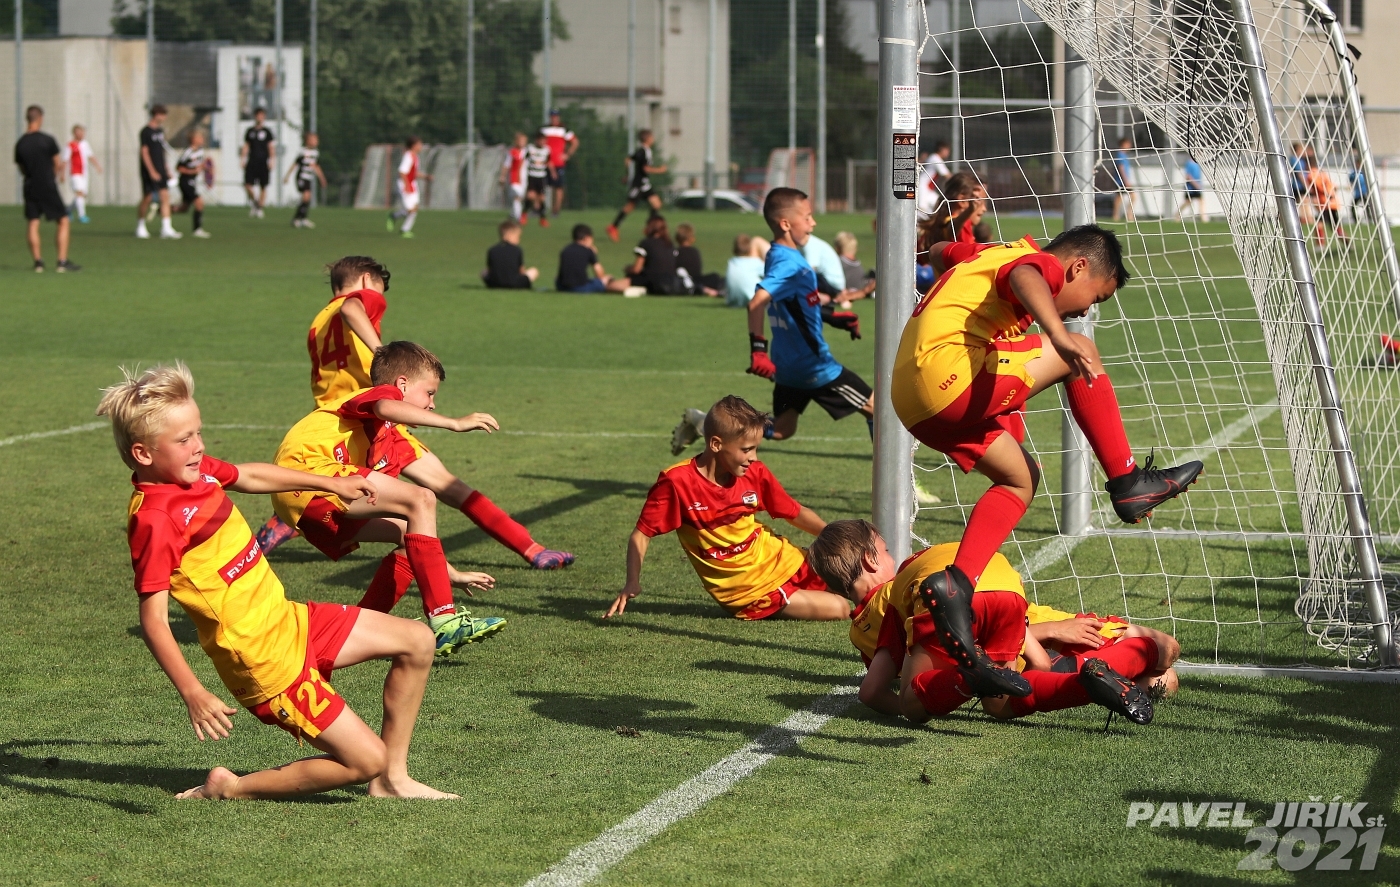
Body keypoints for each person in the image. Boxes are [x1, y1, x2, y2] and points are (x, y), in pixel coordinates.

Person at [98, 363, 458, 800]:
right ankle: (231, 788)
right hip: (265, 663)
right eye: (184, 439)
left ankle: (392, 781)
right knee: (365, 760)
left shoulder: (194, 473)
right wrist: (193, 692)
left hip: (290, 621)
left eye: (198, 433)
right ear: (143, 454)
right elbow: (154, 620)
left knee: (418, 640)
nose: (199, 446)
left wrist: (328, 483)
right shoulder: (156, 519)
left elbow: (249, 475)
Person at [890, 226, 1201, 688]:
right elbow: (1026, 276)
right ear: (1077, 268)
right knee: (1080, 351)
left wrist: (943, 271)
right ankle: (1128, 482)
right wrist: (1059, 333)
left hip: (911, 398)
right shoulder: (1039, 265)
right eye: (1095, 297)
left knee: (1021, 478)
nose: (1087, 310)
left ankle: (957, 585)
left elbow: (939, 251)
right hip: (946, 378)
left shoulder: (989, 254)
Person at [807, 520, 1169, 724]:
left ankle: (975, 677)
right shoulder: (900, 584)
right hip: (1008, 594)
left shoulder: (863, 629)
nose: (892, 556)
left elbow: (874, 690)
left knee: (923, 704)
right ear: (871, 560)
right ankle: (1119, 664)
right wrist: (1049, 632)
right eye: (886, 550)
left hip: (993, 616)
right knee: (1165, 661)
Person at [269, 354, 508, 657]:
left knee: (409, 531)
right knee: (422, 498)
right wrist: (453, 423)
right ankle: (445, 620)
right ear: (402, 384)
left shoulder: (384, 442)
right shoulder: (380, 396)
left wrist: (451, 574)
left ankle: (357, 631)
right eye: (429, 393)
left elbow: (420, 537)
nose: (432, 404)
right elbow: (385, 406)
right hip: (307, 474)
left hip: (305, 498)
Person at [607, 395, 849, 621]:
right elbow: (642, 535)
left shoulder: (755, 472)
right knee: (840, 608)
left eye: (756, 449)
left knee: (853, 582)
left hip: (784, 560)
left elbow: (794, 512)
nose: (754, 457)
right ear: (715, 444)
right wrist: (632, 582)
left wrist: (838, 538)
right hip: (748, 592)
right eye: (746, 450)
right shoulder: (677, 483)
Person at [255, 255, 391, 553]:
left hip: (326, 415)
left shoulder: (318, 320)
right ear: (366, 280)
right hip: (361, 412)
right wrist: (383, 355)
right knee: (438, 488)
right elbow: (352, 307)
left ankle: (292, 517)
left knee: (363, 486)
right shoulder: (364, 297)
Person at [744, 188, 875, 442]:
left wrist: (831, 317)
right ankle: (892, 470)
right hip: (813, 364)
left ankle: (710, 424)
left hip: (787, 363)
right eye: (807, 217)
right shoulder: (790, 264)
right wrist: (758, 350)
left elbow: (794, 303)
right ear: (785, 224)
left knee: (782, 429)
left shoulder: (776, 254)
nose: (813, 223)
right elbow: (757, 302)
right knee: (877, 410)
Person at [13, 105, 79, 272]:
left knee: (33, 222)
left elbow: (21, 168)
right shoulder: (47, 140)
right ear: (40, 118)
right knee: (63, 220)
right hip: (47, 185)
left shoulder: (21, 143)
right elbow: (57, 163)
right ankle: (62, 262)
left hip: (29, 185)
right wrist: (52, 177)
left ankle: (38, 263)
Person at [607, 129, 666, 242]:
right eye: (652, 137)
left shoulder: (643, 151)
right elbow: (645, 168)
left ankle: (649, 228)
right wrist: (660, 170)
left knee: (657, 204)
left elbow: (628, 159)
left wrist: (627, 174)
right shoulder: (644, 151)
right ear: (647, 139)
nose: (653, 139)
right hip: (638, 185)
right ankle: (613, 227)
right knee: (630, 206)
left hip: (645, 184)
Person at [137, 105, 179, 240]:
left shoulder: (160, 131)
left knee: (165, 197)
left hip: (161, 169)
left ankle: (166, 228)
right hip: (149, 169)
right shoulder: (145, 131)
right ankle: (140, 226)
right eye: (162, 114)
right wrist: (151, 171)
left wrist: (166, 169)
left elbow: (161, 152)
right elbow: (144, 152)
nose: (164, 117)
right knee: (148, 198)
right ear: (156, 114)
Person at [556, 224, 631, 293]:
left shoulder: (565, 250)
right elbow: (599, 274)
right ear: (587, 238)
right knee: (605, 280)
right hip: (580, 288)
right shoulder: (588, 251)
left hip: (561, 287)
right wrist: (594, 255)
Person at [627, 215, 686, 295]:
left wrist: (628, 269)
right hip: (670, 281)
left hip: (652, 280)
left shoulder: (646, 243)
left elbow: (637, 269)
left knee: (622, 282)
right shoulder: (670, 244)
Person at [388, 137, 430, 238]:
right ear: (414, 145)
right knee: (410, 209)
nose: (421, 146)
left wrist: (425, 177)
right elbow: (402, 172)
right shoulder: (408, 156)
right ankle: (394, 216)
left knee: (414, 209)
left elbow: (413, 173)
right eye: (419, 144)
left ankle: (405, 229)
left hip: (412, 184)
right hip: (404, 184)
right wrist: (406, 186)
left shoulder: (415, 157)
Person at [173, 130, 211, 238]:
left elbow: (199, 164)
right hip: (185, 181)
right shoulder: (187, 152)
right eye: (200, 137)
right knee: (199, 202)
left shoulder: (200, 151)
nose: (202, 139)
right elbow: (179, 167)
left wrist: (205, 168)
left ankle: (162, 210)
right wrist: (191, 171)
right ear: (194, 139)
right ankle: (197, 229)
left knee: (183, 208)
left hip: (192, 182)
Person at [541, 109, 578, 216]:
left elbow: (575, 142)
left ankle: (556, 210)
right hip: (544, 162)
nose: (554, 119)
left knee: (558, 187)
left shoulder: (564, 130)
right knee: (541, 186)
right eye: (552, 116)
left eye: (556, 116)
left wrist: (567, 155)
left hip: (558, 163)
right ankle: (539, 209)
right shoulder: (544, 129)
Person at [1306, 153, 1348, 248]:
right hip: (1333, 203)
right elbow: (1334, 187)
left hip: (1326, 203)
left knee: (1319, 224)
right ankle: (1347, 242)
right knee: (1335, 227)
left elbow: (1319, 187)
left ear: (1307, 164)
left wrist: (1322, 195)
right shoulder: (1322, 173)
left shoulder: (1311, 175)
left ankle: (1320, 245)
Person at [483, 218, 539, 289]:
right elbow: (521, 271)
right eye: (518, 236)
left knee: (483, 272)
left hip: (494, 284)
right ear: (509, 235)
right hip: (515, 284)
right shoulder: (517, 250)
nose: (519, 240)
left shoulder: (492, 250)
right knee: (534, 271)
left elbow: (490, 270)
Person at [287, 132, 327, 229]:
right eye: (314, 140)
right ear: (307, 141)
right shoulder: (303, 152)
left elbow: (316, 166)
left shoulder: (315, 153)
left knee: (307, 198)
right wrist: (287, 176)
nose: (316, 142)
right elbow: (295, 164)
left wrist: (322, 178)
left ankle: (303, 218)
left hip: (308, 178)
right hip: (301, 177)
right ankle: (297, 218)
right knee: (306, 196)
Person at [241, 107, 275, 218]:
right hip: (252, 161)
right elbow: (246, 146)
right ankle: (256, 203)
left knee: (263, 186)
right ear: (255, 116)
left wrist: (272, 160)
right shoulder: (250, 131)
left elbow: (271, 147)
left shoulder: (267, 132)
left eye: (262, 115)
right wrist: (243, 159)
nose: (260, 117)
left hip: (263, 162)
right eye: (258, 115)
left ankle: (260, 208)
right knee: (247, 185)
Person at [62, 123, 100, 224]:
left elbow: (90, 156)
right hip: (75, 173)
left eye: (82, 132)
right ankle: (82, 216)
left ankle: (67, 211)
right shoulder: (70, 145)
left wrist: (97, 166)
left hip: (84, 173)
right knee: (79, 193)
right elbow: (65, 160)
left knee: (82, 195)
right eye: (79, 132)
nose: (82, 134)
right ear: (74, 133)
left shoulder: (85, 144)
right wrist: (62, 174)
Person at [674, 223, 723, 296]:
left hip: (687, 281)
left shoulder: (676, 252)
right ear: (692, 238)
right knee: (715, 277)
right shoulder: (695, 251)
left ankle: (703, 289)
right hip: (698, 279)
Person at [724, 232, 769, 307]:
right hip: (754, 300)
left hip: (733, 302)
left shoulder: (731, 262)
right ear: (750, 249)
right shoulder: (755, 263)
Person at [523, 130, 553, 228]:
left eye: (543, 140)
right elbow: (524, 160)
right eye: (540, 140)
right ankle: (524, 214)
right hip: (532, 175)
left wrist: (553, 172)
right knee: (530, 196)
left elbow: (548, 162)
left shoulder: (547, 150)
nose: (542, 142)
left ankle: (543, 219)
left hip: (541, 176)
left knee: (541, 198)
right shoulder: (530, 148)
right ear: (536, 140)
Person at [916, 141, 952, 219]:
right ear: (941, 149)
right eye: (947, 150)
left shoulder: (933, 157)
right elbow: (947, 175)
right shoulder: (935, 158)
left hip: (928, 189)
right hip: (923, 187)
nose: (948, 153)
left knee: (938, 204)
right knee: (922, 210)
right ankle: (917, 225)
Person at [500, 132, 528, 222]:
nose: (522, 142)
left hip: (524, 178)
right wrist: (502, 176)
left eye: (524, 141)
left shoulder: (526, 152)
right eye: (520, 140)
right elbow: (506, 165)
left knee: (520, 197)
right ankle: (519, 217)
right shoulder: (512, 152)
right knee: (517, 195)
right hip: (514, 177)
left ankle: (513, 214)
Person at [1176, 154, 1209, 223]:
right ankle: (1177, 215)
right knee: (1187, 201)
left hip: (1197, 187)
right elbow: (1188, 176)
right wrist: (1195, 184)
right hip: (1190, 187)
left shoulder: (1198, 164)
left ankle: (1204, 218)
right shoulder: (1189, 164)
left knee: (1201, 201)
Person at [1111, 137, 1135, 222]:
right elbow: (1121, 167)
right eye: (1128, 144)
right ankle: (1125, 215)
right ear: (1123, 144)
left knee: (1120, 197)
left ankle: (1118, 215)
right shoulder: (1120, 154)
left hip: (1122, 180)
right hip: (1121, 181)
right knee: (1130, 196)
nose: (1129, 146)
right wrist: (1126, 181)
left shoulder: (1124, 155)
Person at [1350, 150, 1369, 224]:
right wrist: (1350, 185)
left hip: (1364, 193)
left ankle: (1370, 220)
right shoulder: (1353, 172)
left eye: (1358, 163)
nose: (1357, 164)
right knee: (1353, 207)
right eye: (1356, 163)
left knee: (1367, 207)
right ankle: (1356, 221)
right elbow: (1351, 180)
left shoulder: (1364, 171)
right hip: (1357, 194)